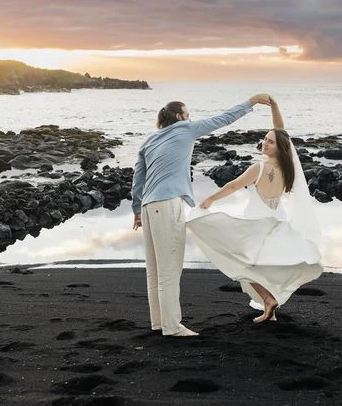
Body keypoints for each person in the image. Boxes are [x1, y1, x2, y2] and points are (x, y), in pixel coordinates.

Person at [131, 94, 272, 337]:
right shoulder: (186, 129)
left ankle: (159, 322)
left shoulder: (150, 140)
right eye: (188, 114)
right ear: (179, 117)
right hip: (167, 204)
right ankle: (172, 327)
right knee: (169, 270)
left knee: (154, 270)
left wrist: (136, 210)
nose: (190, 118)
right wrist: (251, 102)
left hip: (148, 205)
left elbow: (138, 178)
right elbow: (224, 119)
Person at [187, 96, 323, 324]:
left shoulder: (259, 167)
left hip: (255, 222)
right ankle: (269, 302)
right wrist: (275, 106)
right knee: (262, 264)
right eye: (264, 139)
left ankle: (268, 300)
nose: (264, 142)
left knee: (243, 263)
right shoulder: (288, 169)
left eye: (270, 141)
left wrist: (210, 199)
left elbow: (233, 186)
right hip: (276, 220)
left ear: (279, 148)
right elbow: (281, 131)